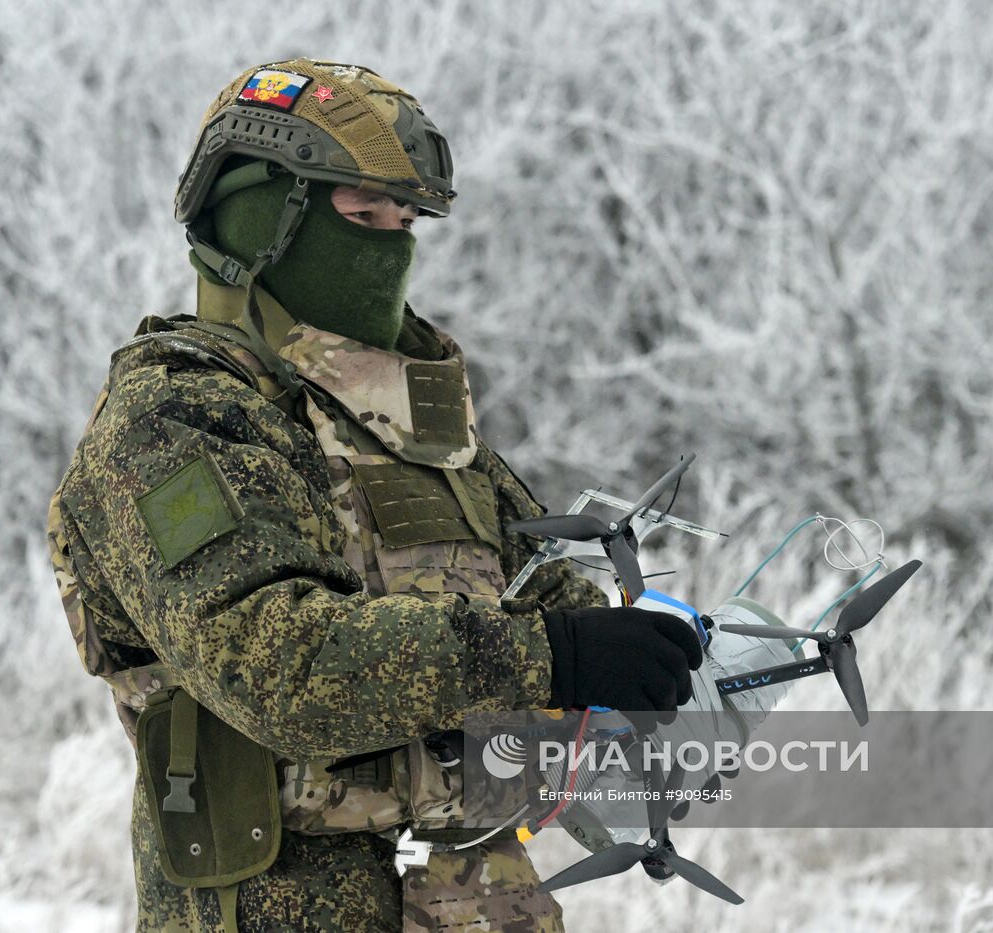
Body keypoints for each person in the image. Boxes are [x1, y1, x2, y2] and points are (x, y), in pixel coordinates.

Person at [47, 58, 703, 933]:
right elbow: (277, 663)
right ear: (257, 220)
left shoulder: (410, 429)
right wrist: (551, 654)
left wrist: (666, 667)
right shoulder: (177, 423)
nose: (391, 248)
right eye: (361, 217)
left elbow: (551, 605)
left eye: (406, 221)